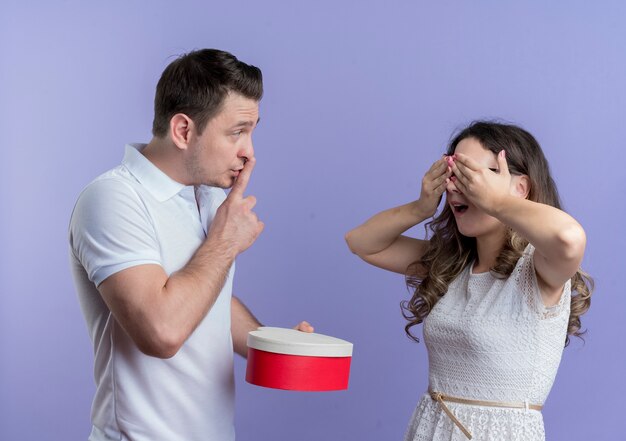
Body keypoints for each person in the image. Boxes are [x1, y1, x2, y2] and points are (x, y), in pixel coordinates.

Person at [69, 48, 313, 441]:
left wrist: (271, 345)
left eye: (251, 132)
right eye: (237, 132)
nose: (249, 152)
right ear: (183, 130)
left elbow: (206, 297)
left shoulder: (209, 196)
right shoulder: (113, 199)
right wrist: (224, 244)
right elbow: (161, 331)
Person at [345, 121, 593, 441]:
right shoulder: (453, 266)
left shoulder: (540, 269)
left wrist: (498, 203)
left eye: (470, 175)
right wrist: (420, 207)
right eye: (452, 173)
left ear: (520, 187)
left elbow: (569, 238)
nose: (453, 187)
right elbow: (361, 242)